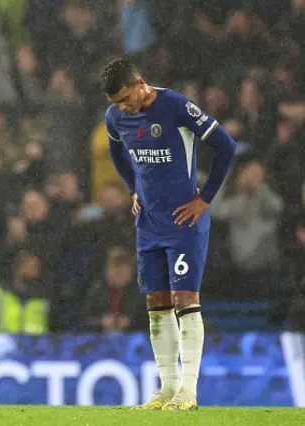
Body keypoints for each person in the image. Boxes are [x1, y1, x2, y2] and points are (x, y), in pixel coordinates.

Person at [102, 59, 236, 411]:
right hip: (148, 223)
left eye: (125, 98)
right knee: (156, 306)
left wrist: (203, 200)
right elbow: (116, 151)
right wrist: (133, 189)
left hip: (183, 222)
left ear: (140, 83)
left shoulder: (176, 105)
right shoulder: (115, 118)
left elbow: (226, 145)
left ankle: (188, 392)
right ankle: (167, 389)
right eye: (116, 102)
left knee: (185, 302)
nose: (123, 107)